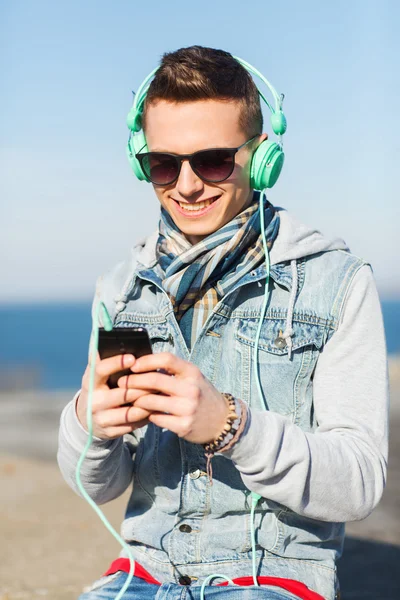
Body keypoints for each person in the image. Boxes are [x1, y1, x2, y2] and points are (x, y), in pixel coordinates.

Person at [57, 46, 389, 600]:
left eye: (211, 160)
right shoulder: (120, 287)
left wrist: (232, 427)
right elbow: (103, 484)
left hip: (271, 577)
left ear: (262, 158)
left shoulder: (339, 282)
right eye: (163, 164)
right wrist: (87, 422)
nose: (185, 185)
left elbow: (360, 483)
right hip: (141, 575)